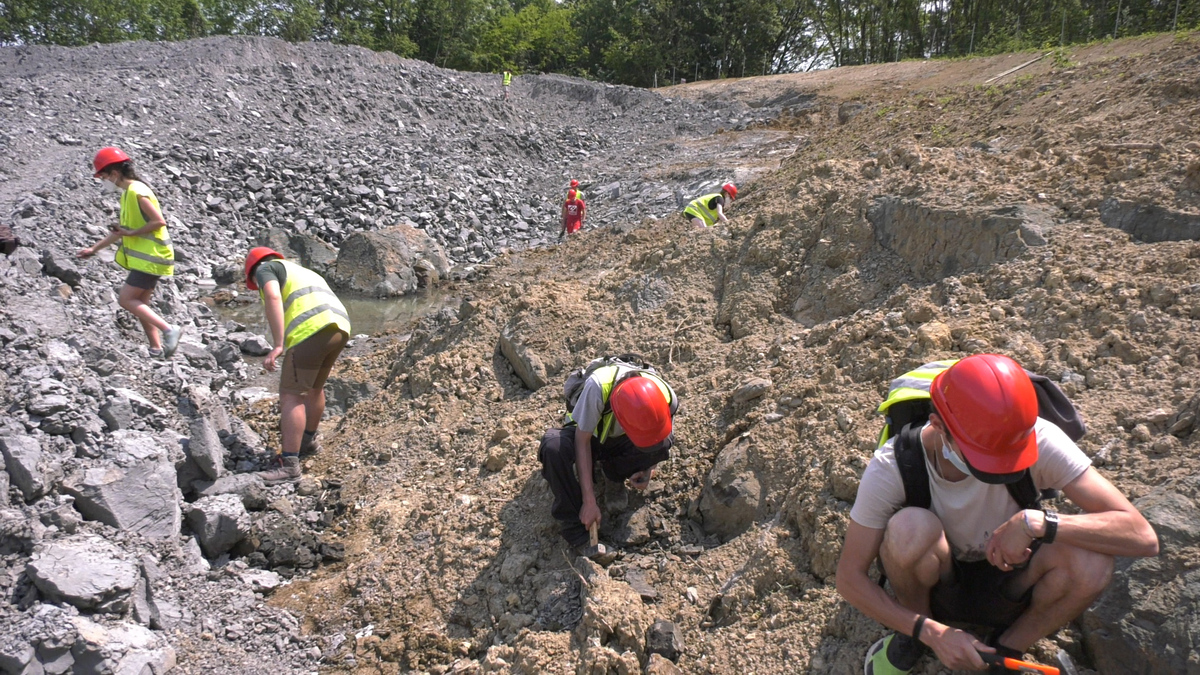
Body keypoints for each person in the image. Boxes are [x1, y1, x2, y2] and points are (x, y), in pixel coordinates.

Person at [836, 354, 1159, 674]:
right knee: (909, 528)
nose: (1001, 467)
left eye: (1010, 458)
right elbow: (850, 577)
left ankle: (1008, 647)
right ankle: (914, 638)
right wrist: (931, 632)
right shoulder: (894, 464)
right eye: (986, 458)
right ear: (939, 427)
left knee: (1093, 559)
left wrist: (1038, 523)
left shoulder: (1038, 438)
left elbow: (1141, 536)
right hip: (936, 586)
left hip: (1013, 579)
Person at [538, 358, 679, 563]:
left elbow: (659, 438)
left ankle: (613, 474)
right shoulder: (597, 388)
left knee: (664, 444)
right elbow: (582, 441)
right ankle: (576, 531)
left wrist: (648, 468)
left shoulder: (667, 397)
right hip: (589, 437)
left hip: (620, 440)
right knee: (553, 448)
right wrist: (589, 501)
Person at [244, 247, 352, 484]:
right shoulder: (301, 271)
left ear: (252, 270)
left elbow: (272, 296)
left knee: (292, 394)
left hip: (311, 329)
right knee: (314, 388)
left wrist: (278, 344)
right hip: (340, 326)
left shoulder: (265, 268)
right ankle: (308, 442)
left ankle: (289, 465)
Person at [77, 147, 184, 358]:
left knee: (126, 300)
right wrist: (94, 249)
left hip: (152, 257)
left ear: (115, 173)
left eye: (104, 176)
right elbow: (121, 231)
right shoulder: (127, 194)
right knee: (141, 303)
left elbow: (158, 221)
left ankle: (169, 330)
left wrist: (132, 232)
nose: (103, 181)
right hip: (149, 258)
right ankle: (156, 348)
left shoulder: (137, 192)